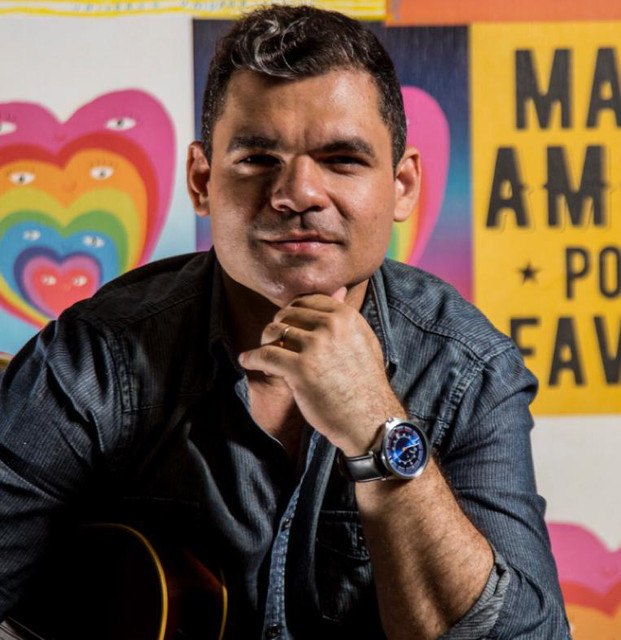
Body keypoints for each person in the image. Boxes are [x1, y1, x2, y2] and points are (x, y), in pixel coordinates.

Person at [0, 5, 570, 639]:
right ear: (201, 180)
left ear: (403, 185)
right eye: (256, 158)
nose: (297, 193)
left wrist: (376, 428)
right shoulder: (94, 359)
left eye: (342, 159)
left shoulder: (468, 371)